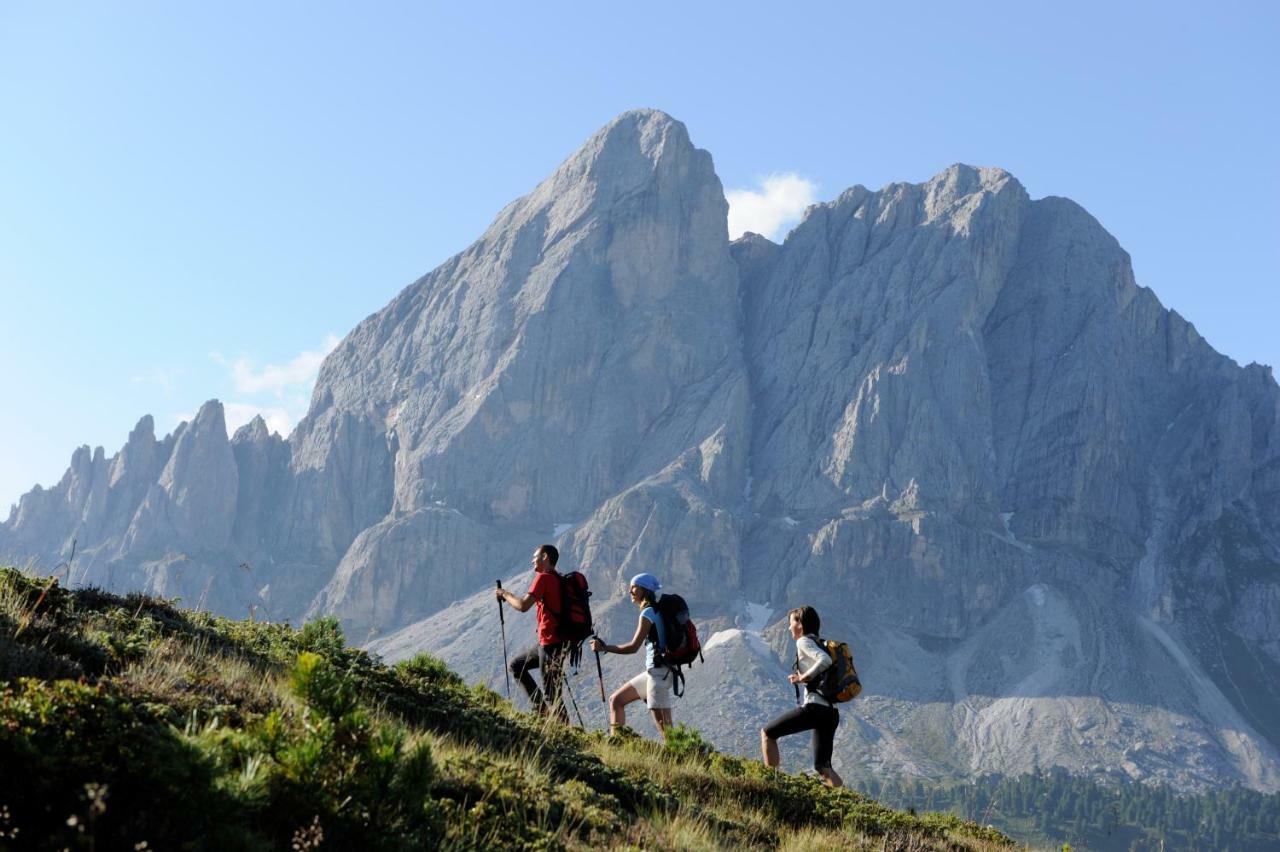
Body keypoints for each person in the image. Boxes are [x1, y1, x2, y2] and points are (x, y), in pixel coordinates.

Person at [760, 605, 843, 787]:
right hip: (830, 713)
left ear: (800, 624)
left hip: (815, 709)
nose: (789, 628)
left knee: (768, 733)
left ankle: (770, 785)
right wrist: (803, 678)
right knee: (823, 767)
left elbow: (825, 661)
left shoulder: (803, 642)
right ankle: (844, 805)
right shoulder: (821, 643)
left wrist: (803, 677)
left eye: (791, 623)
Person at [588, 572, 674, 739]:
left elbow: (633, 647)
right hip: (657, 672)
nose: (630, 592)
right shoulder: (657, 610)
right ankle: (615, 745)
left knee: (666, 730)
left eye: (633, 587)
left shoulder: (648, 613)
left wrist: (604, 647)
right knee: (616, 700)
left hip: (659, 673)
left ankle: (682, 759)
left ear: (644, 589)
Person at [495, 544, 569, 722]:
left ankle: (566, 732)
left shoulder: (543, 578)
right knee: (517, 666)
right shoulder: (559, 579)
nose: (532, 560)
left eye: (535, 557)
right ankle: (543, 713)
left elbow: (523, 605)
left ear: (545, 557)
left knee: (552, 693)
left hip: (551, 643)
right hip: (556, 643)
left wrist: (504, 594)